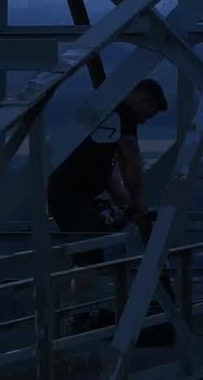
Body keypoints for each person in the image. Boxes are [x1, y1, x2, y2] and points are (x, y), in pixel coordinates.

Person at [46, 78, 168, 265]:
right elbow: (132, 163)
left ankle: (79, 288)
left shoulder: (108, 113)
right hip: (75, 200)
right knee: (88, 259)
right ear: (144, 100)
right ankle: (80, 292)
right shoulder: (124, 115)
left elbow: (107, 171)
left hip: (67, 197)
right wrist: (135, 204)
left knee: (88, 255)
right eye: (148, 114)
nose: (143, 121)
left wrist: (127, 205)